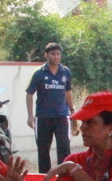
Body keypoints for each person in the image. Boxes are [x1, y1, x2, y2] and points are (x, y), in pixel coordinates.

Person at [25, 42, 77, 174]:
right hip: (43, 117)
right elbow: (29, 94)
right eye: (53, 54)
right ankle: (44, 178)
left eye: (58, 54)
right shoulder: (39, 73)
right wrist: (30, 116)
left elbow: (67, 92)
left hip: (62, 117)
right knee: (43, 151)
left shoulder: (65, 72)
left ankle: (64, 177)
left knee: (64, 149)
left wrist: (72, 110)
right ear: (46, 55)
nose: (56, 57)